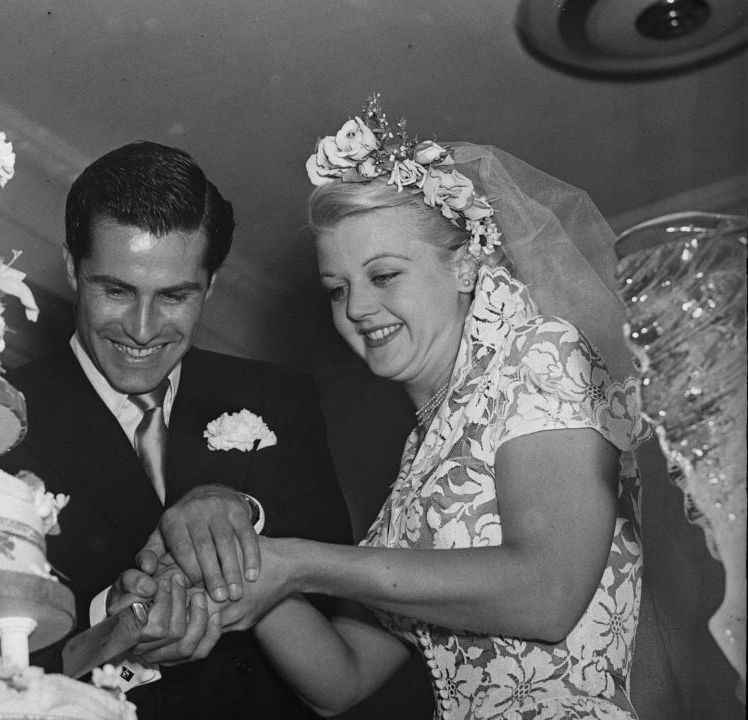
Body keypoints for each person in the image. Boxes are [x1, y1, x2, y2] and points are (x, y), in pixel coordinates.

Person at [116, 99, 647, 718]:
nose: (357, 308)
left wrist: (302, 565)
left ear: (468, 264)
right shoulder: (417, 470)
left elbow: (549, 593)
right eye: (338, 288)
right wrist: (235, 567)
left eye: (385, 275)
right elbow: (339, 681)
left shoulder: (538, 355)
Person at [0, 141, 352, 720]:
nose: (141, 330)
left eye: (174, 296)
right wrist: (106, 625)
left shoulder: (280, 402)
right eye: (115, 290)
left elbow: (342, 612)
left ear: (209, 286)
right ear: (71, 269)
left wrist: (244, 511)